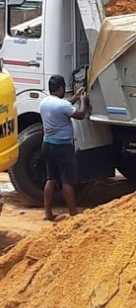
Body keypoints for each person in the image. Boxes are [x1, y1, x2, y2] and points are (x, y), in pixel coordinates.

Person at [40, 75, 88, 221]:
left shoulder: (44, 102)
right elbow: (79, 115)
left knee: (51, 178)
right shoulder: (62, 106)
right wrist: (83, 102)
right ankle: (73, 213)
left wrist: (75, 96)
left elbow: (64, 106)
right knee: (67, 180)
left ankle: (48, 213)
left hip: (47, 144)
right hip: (62, 146)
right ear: (61, 88)